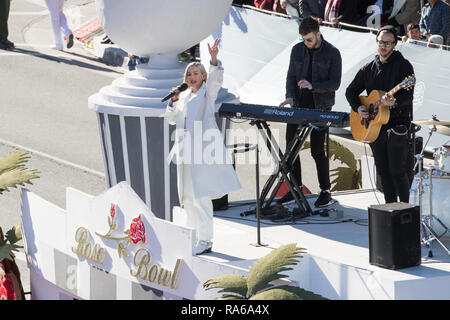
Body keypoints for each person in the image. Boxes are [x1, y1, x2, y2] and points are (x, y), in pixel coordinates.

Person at [163, 39, 241, 255]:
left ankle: (205, 240)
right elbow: (171, 118)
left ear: (203, 76)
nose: (192, 77)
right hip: (185, 151)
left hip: (202, 152)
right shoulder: (184, 96)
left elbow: (216, 79)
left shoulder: (207, 93)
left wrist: (213, 59)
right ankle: (192, 235)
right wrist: (173, 101)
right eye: (189, 74)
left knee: (201, 197)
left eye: (196, 73)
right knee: (187, 197)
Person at [345, 26, 415, 203]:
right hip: (375, 126)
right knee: (383, 171)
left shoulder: (403, 66)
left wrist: (394, 103)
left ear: (394, 44)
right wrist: (358, 108)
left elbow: (408, 96)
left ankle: (406, 209)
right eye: (381, 42)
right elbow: (350, 91)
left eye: (388, 43)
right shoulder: (369, 68)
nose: (383, 46)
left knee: (397, 171)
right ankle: (390, 208)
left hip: (397, 123)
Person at [278, 17, 342, 208]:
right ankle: (295, 187)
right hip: (298, 106)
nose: (305, 43)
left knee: (317, 150)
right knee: (291, 149)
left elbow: (335, 84)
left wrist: (313, 86)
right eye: (303, 39)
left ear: (318, 34)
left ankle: (325, 191)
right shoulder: (297, 50)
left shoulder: (332, 53)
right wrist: (290, 96)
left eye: (309, 40)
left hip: (320, 107)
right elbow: (290, 76)